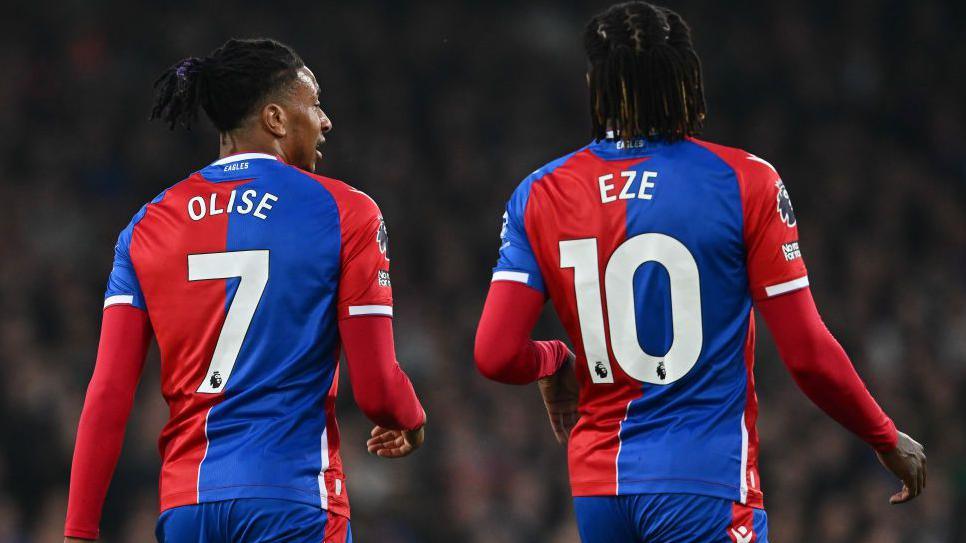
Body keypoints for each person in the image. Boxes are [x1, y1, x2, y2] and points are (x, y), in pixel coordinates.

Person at [473, 3, 926, 542]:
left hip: (599, 491)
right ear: (687, 78)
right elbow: (807, 355)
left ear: (594, 83)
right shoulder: (745, 182)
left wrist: (554, 359)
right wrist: (884, 437)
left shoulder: (539, 194)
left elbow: (494, 354)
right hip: (704, 486)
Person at [64, 38, 426, 543]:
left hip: (188, 510)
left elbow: (107, 393)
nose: (325, 121)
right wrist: (411, 417)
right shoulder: (345, 212)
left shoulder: (146, 227)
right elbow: (378, 389)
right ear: (275, 119)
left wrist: (79, 530)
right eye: (314, 104)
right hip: (293, 503)